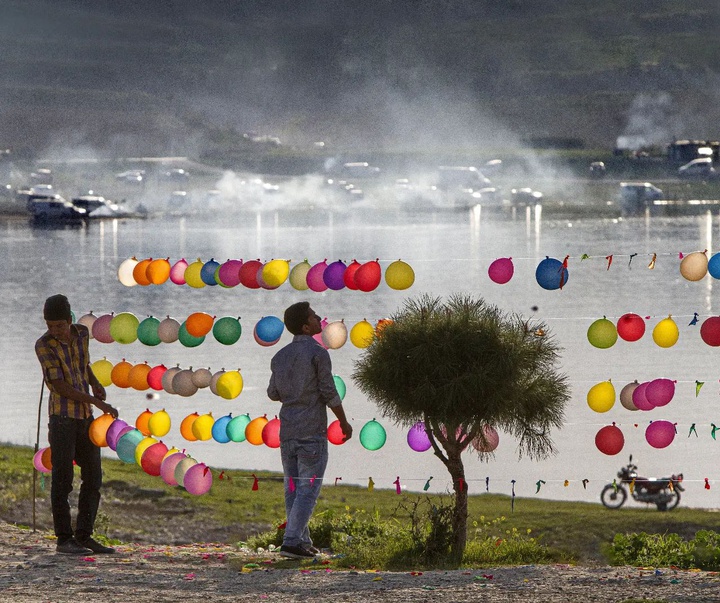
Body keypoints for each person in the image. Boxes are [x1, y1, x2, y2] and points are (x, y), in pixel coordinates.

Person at [35, 294, 119, 555]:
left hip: (85, 417)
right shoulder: (44, 345)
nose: (55, 331)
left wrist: (94, 382)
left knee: (93, 476)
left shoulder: (82, 333)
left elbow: (83, 364)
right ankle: (64, 539)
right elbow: (59, 385)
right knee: (63, 479)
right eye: (50, 326)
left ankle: (84, 536)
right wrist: (98, 402)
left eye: (59, 325)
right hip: (62, 418)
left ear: (70, 320)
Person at [267, 301, 352, 559]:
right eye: (314, 317)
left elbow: (273, 393)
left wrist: (293, 392)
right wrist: (344, 421)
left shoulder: (278, 357)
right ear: (306, 326)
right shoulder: (318, 353)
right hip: (311, 432)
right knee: (308, 489)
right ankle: (291, 541)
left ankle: (301, 540)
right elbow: (328, 391)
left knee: (292, 487)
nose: (319, 320)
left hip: (288, 432)